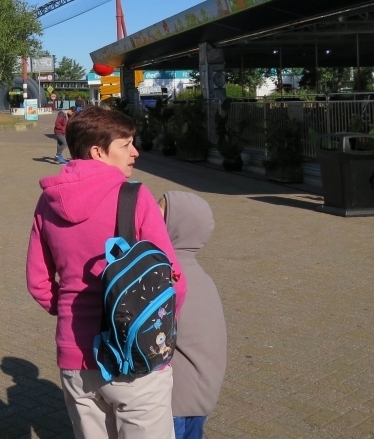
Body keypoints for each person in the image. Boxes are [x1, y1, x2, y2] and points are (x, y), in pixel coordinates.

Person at [27, 107, 187, 439]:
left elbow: (38, 281)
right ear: (98, 151)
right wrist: (160, 326)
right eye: (125, 144)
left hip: (75, 355)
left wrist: (70, 310)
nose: (135, 152)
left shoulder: (48, 201)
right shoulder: (134, 196)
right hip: (133, 352)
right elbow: (172, 279)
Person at [159, 193, 226, 439]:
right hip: (199, 395)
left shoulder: (169, 278)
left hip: (174, 398)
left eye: (159, 213)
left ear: (175, 226)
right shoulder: (199, 276)